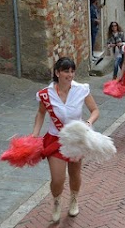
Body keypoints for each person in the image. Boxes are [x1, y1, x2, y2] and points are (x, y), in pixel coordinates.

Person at [32, 57, 100, 222]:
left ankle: (74, 199)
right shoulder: (46, 94)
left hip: (76, 139)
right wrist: (34, 134)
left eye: (72, 71)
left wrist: (89, 122)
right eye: (65, 71)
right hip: (56, 139)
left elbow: (95, 110)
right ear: (57, 73)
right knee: (58, 179)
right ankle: (56, 202)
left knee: (75, 173)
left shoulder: (81, 90)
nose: (70, 75)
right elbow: (41, 113)